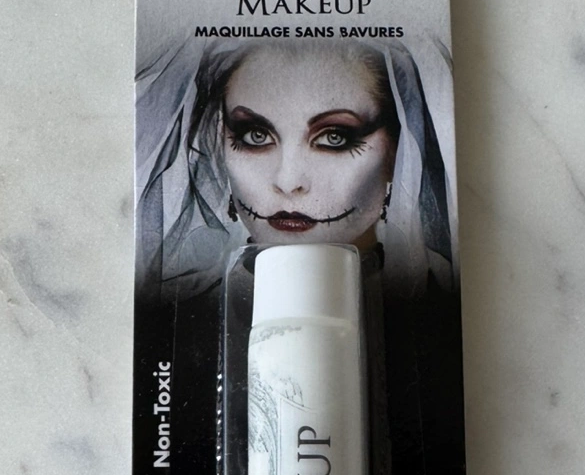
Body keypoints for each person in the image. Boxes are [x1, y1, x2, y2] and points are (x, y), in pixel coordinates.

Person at [135, 36, 457, 299]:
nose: (288, 181)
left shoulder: (450, 310)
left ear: (397, 150)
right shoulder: (177, 317)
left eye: (334, 137)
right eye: (255, 136)